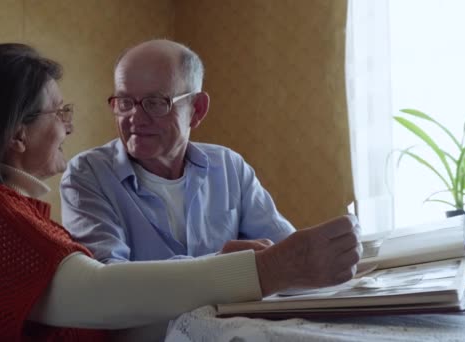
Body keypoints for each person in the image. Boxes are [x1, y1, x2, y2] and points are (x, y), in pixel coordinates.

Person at [0, 43, 361, 341]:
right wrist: (267, 269)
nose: (69, 126)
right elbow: (98, 294)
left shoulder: (5, 206)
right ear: (17, 134)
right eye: (58, 113)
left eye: (154, 103)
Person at [60, 39, 295, 263]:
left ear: (197, 109)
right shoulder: (88, 174)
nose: (136, 118)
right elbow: (105, 282)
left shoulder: (228, 167)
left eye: (155, 102)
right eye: (125, 102)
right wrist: (222, 267)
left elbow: (289, 258)